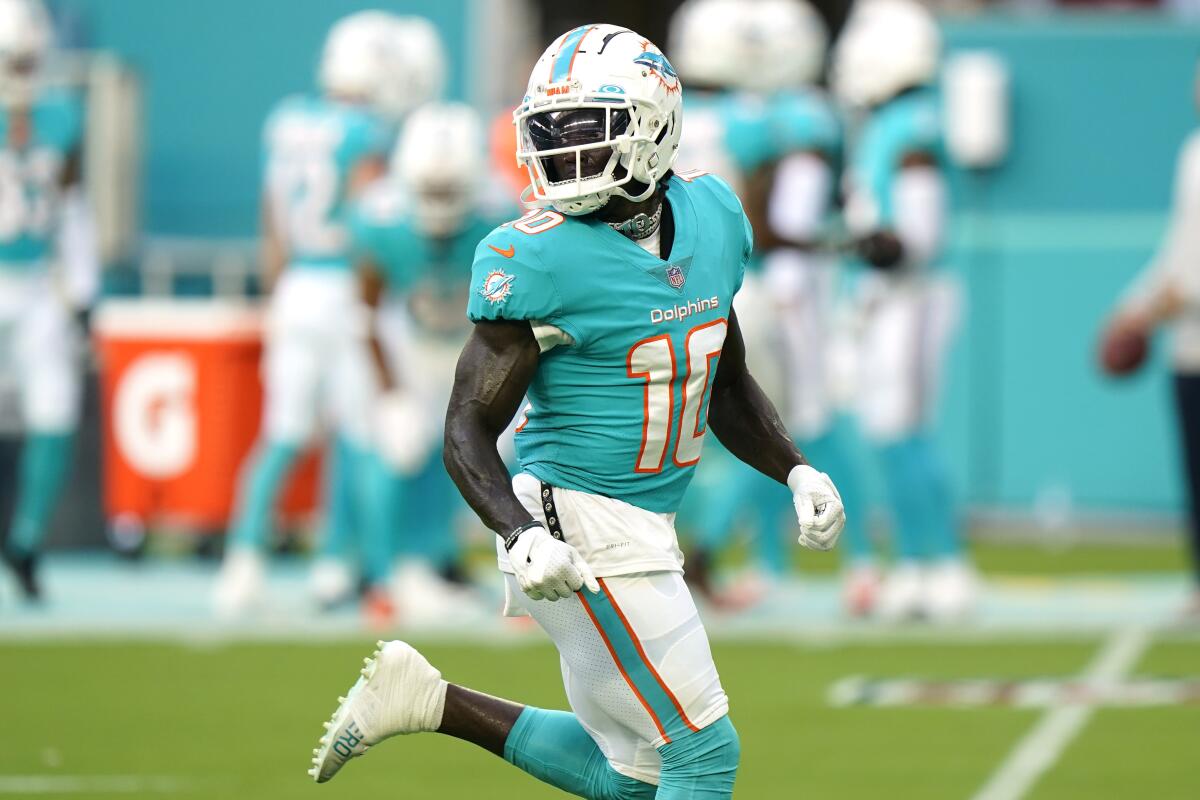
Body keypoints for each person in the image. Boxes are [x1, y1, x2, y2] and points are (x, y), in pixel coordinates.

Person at [308, 25, 846, 798]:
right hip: (577, 525)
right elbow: (466, 423)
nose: (562, 153)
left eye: (586, 131)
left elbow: (724, 383)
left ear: (654, 127)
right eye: (548, 133)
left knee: (631, 774)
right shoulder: (535, 255)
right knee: (704, 753)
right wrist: (518, 533)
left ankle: (426, 699)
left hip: (642, 524)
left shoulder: (714, 216)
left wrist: (794, 469)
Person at [670, 0, 872, 612]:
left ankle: (694, 556)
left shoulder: (671, 118)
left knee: (686, 438)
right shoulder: (761, 122)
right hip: (743, 288)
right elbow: (760, 218)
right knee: (765, 426)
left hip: (672, 289)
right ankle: (701, 554)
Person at [212, 11, 402, 617]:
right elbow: (372, 218)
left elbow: (272, 220)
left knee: (283, 434)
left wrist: (278, 293)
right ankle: (376, 577)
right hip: (344, 288)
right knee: (365, 437)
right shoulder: (365, 131)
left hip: (295, 287)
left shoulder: (287, 121)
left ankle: (242, 564)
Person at [832, 0, 973, 621]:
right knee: (890, 435)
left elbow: (914, 238)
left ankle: (943, 562)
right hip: (887, 299)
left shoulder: (911, 128)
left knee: (904, 432)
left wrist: (846, 242)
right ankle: (918, 561)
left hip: (909, 296)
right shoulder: (892, 126)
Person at [351, 101, 511, 626]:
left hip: (476, 343)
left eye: (449, 190)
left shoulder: (502, 209)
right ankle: (378, 577)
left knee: (490, 452)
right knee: (397, 448)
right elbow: (365, 313)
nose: (439, 202)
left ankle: (453, 563)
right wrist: (390, 391)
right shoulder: (381, 218)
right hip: (411, 345)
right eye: (430, 190)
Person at [0, 0, 96, 601]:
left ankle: (27, 540)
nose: (22, 70)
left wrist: (83, 292)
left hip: (35, 284)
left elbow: (72, 207)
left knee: (56, 415)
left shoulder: (61, 113)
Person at [1101, 60, 1200, 618]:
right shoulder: (1193, 153)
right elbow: (1178, 250)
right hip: (1188, 345)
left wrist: (1151, 310)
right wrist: (1132, 306)